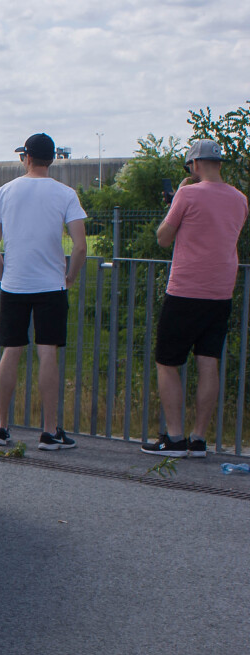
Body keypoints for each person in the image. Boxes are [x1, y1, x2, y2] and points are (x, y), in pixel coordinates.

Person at [142, 139, 248, 457]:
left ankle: (174, 438)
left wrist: (175, 200)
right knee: (208, 363)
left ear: (195, 165)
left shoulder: (187, 193)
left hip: (186, 289)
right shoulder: (240, 199)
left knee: (167, 362)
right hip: (221, 290)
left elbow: (163, 237)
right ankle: (199, 439)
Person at [0, 132, 87, 451]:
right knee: (47, 352)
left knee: (11, 351)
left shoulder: (4, 192)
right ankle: (49, 430)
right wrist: (69, 277)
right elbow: (80, 246)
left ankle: (1, 427)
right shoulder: (66, 194)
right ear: (52, 159)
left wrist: (5, 276)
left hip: (15, 284)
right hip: (51, 285)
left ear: (25, 157)